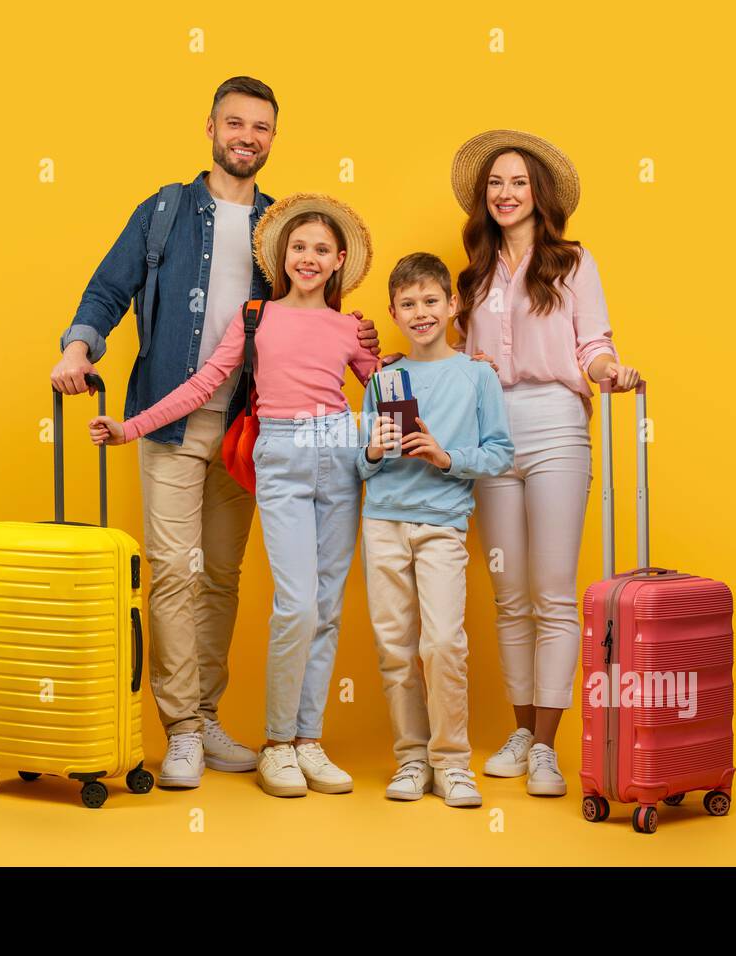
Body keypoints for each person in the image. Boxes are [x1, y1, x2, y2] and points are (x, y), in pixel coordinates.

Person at [50, 78, 387, 790]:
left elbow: (316, 323)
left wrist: (365, 342)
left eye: (261, 128)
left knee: (223, 576)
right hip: (170, 417)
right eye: (235, 123)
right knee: (174, 571)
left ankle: (205, 714)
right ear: (209, 127)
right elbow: (109, 288)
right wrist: (80, 347)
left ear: (272, 138)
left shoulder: (283, 224)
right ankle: (178, 730)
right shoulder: (167, 210)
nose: (247, 137)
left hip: (250, 429)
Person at [450, 130, 641, 796]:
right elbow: (452, 360)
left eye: (518, 183)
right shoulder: (471, 275)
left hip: (556, 424)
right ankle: (521, 730)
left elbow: (593, 340)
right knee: (510, 595)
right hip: (491, 434)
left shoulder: (573, 262)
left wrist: (609, 370)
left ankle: (547, 749)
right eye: (495, 184)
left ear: (539, 195)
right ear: (485, 196)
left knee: (554, 594)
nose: (504, 193)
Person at [358, 253, 513, 808]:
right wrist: (374, 450)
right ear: (394, 312)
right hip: (382, 522)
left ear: (452, 305)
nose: (420, 313)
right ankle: (411, 759)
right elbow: (363, 462)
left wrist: (447, 458)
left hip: (442, 523)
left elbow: (501, 453)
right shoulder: (383, 378)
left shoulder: (477, 376)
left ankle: (451, 761)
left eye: (430, 301)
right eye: (408, 304)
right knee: (394, 646)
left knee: (443, 642)